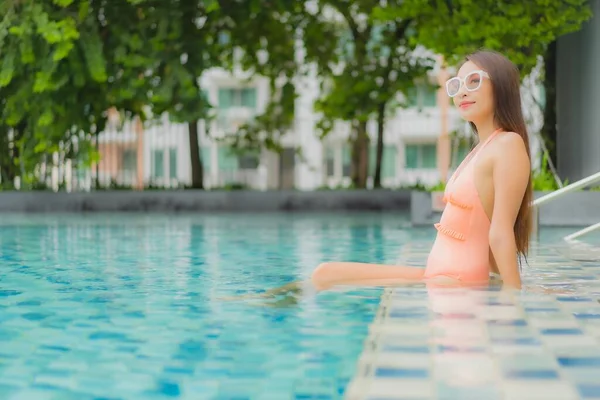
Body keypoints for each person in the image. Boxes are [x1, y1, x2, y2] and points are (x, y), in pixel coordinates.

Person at [311, 50, 533, 291]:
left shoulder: (508, 144)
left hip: (455, 279)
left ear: (501, 86)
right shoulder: (481, 149)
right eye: (456, 84)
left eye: (474, 81)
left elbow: (499, 232)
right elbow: (484, 229)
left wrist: (513, 296)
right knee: (325, 273)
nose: (462, 91)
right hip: (439, 273)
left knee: (326, 277)